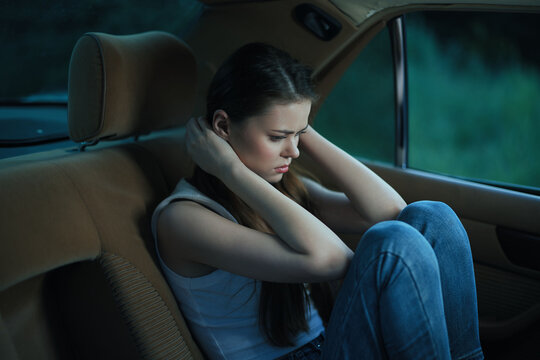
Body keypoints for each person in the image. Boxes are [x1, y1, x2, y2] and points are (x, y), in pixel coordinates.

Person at [151, 42, 484, 360]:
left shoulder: (285, 189)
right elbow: (333, 260)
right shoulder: (183, 219)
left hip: (331, 345)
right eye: (278, 137)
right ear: (223, 126)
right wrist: (230, 169)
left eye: (299, 135)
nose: (293, 151)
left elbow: (394, 211)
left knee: (432, 216)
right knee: (391, 243)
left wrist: (299, 126)